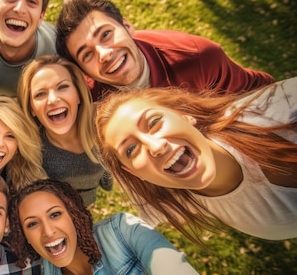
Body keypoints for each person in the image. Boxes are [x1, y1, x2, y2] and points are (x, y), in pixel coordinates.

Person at [94, 78, 297, 242]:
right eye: (131, 149)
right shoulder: (169, 202)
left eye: (154, 122)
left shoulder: (282, 111)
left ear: (186, 116)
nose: (156, 147)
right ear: (135, 173)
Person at [8, 179, 240, 275]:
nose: (47, 231)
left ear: (73, 215)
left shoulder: (124, 231)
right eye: (32, 224)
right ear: (25, 236)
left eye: (55, 214)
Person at [55, 0, 275, 101]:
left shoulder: (197, 57)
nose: (104, 54)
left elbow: (259, 94)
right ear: (84, 72)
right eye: (86, 54)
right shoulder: (87, 97)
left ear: (128, 26)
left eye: (105, 34)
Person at [18, 55, 111, 207]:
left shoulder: (103, 131)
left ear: (79, 95)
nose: (53, 99)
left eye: (62, 87)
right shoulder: (33, 155)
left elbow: (109, 179)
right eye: (40, 94)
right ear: (31, 108)